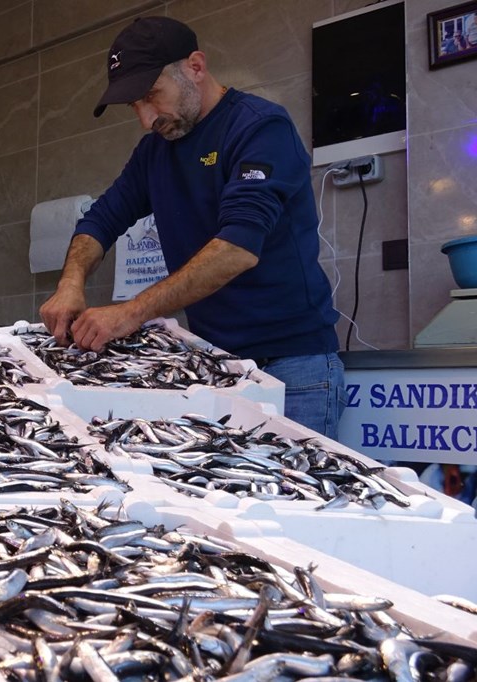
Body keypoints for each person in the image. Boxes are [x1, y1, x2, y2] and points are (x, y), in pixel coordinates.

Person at [39, 16, 345, 438]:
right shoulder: (154, 153)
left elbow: (238, 245)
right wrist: (70, 283)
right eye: (134, 106)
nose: (146, 119)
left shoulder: (260, 127)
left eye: (151, 96)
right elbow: (100, 219)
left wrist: (130, 312)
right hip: (218, 366)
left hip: (294, 368)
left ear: (195, 68)